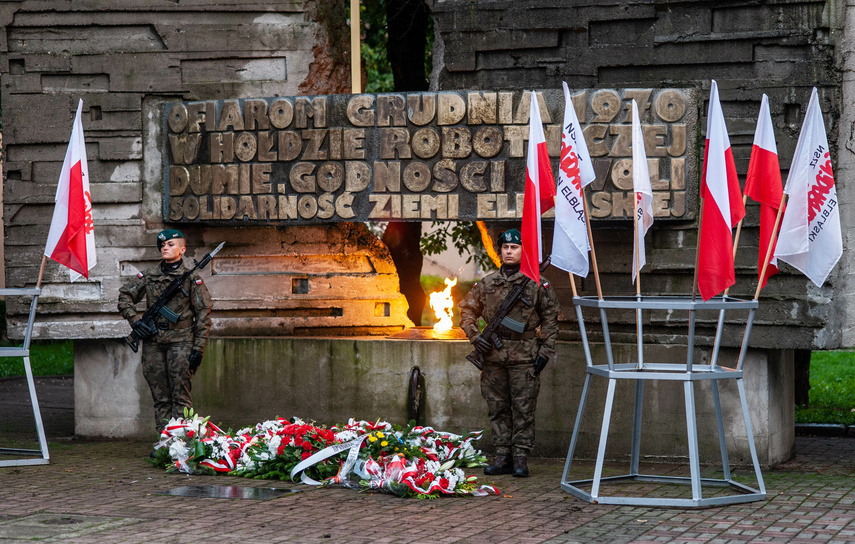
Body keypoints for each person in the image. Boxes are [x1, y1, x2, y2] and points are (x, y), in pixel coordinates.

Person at [459, 228, 559, 477]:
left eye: (514, 248)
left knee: (524, 408)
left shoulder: (537, 284)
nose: (509, 251)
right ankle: (502, 455)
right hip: (492, 356)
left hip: (525, 356)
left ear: (523, 251)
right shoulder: (487, 283)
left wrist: (545, 351)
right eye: (505, 247)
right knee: (497, 407)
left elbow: (550, 319)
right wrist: (475, 337)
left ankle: (521, 459)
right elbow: (467, 311)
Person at [118, 229, 212, 435]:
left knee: (181, 396)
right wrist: (135, 321)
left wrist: (198, 348)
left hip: (182, 342)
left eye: (170, 244)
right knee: (160, 397)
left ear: (182, 249)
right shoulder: (150, 275)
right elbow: (125, 296)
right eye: (162, 245)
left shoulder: (191, 279)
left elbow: (203, 316)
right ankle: (165, 441)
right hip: (153, 342)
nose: (165, 248)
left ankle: (183, 442)